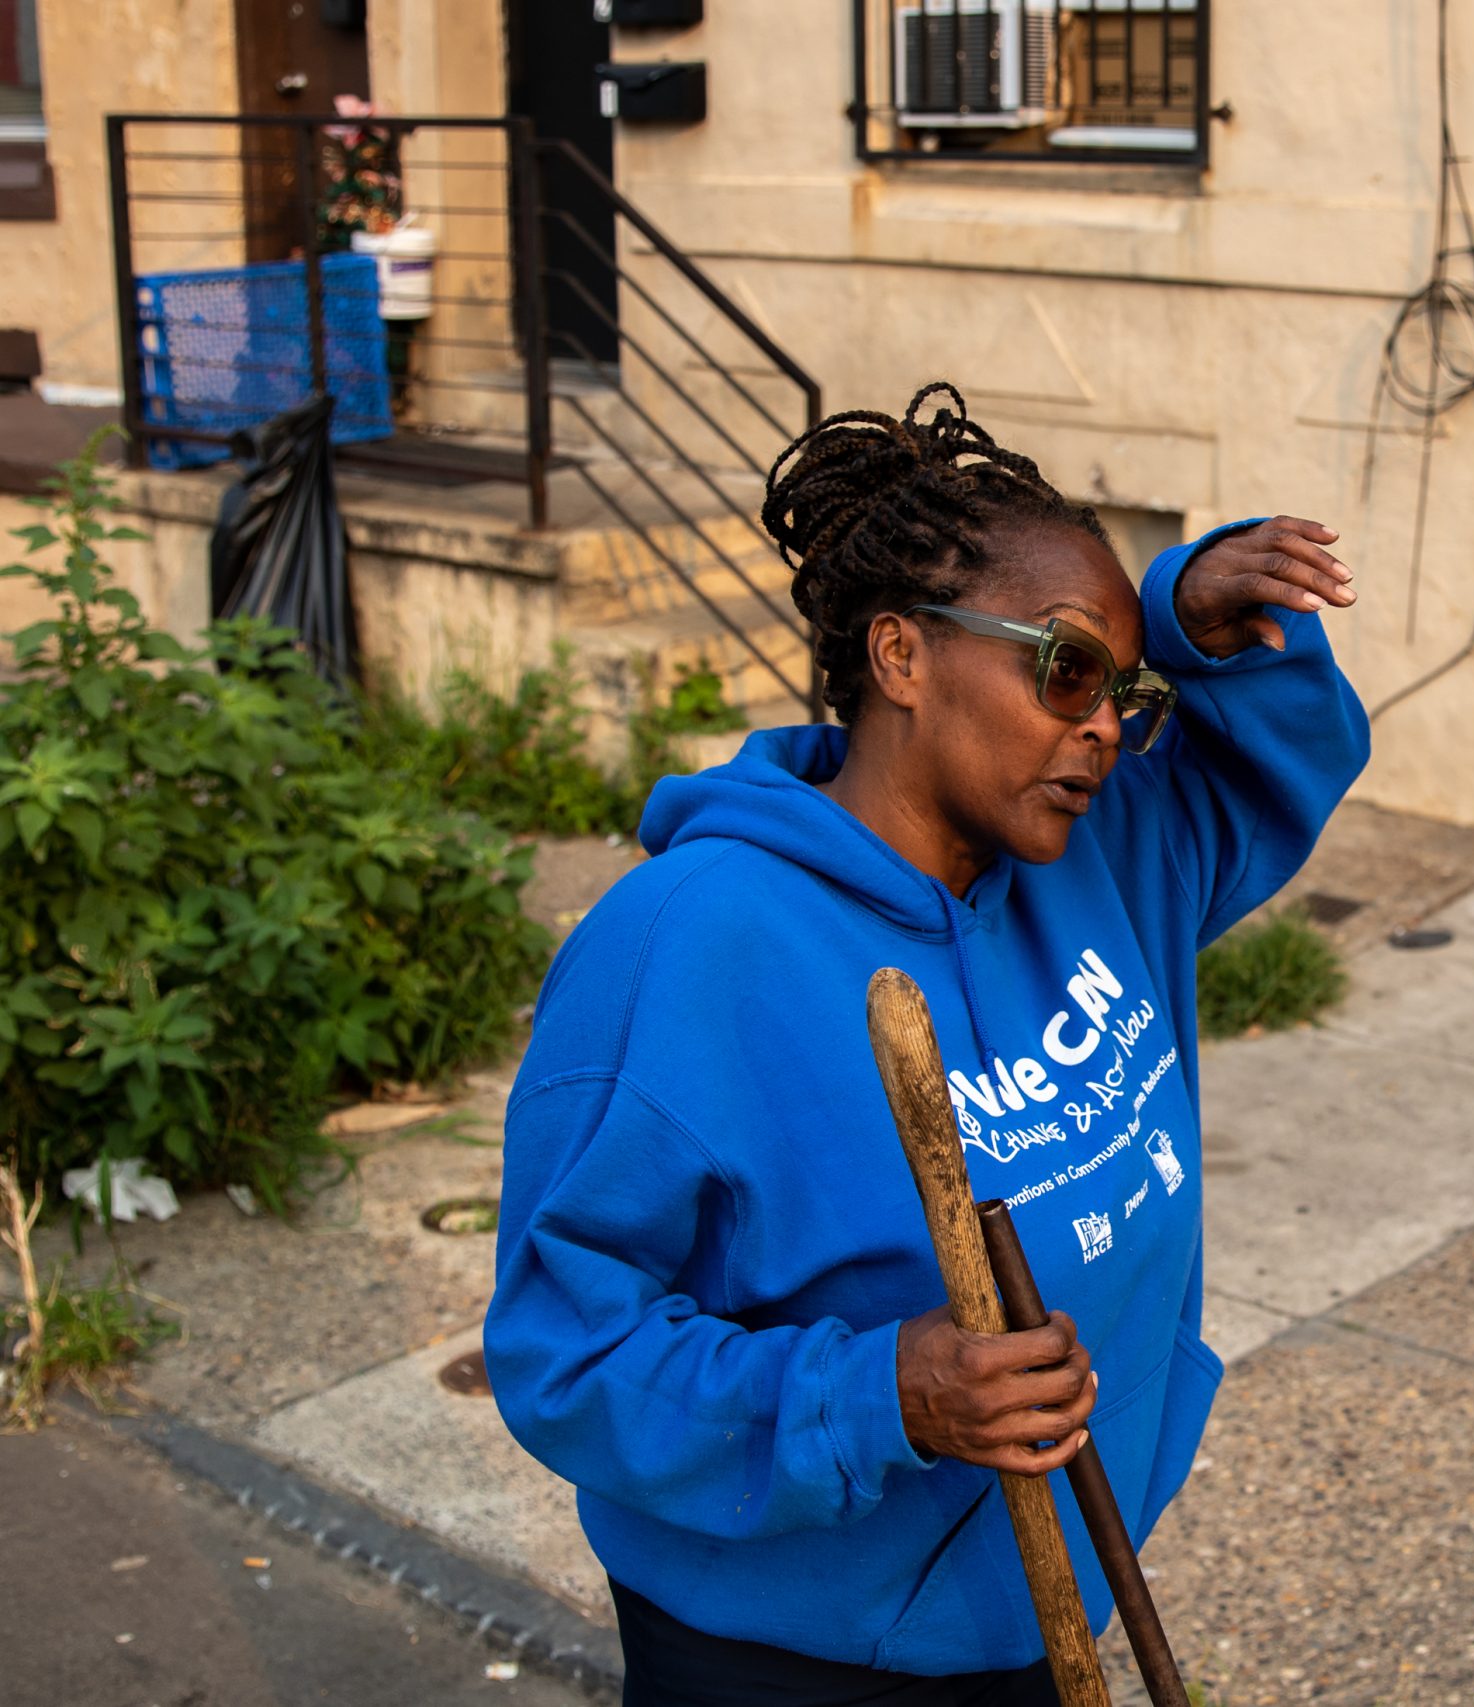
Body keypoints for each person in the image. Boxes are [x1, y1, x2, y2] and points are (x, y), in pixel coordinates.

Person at [485, 383, 1368, 1706]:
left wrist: (1180, 617)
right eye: (1066, 668)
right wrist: (878, 1396)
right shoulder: (687, 944)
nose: (1105, 726)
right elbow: (566, 1350)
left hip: (1042, 1603)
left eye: (1124, 690)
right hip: (794, 1655)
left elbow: (1266, 771)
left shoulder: (1093, 857)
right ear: (900, 656)